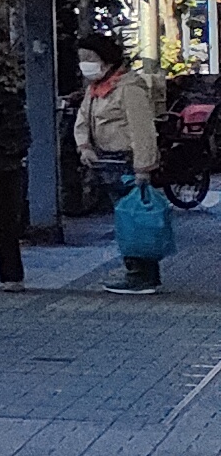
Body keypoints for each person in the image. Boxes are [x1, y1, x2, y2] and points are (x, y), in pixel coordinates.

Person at [83, 34, 166, 284]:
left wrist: (143, 167)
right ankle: (135, 269)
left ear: (107, 62)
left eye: (90, 58)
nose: (84, 64)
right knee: (125, 218)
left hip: (128, 163)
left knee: (136, 218)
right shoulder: (95, 90)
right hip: (107, 162)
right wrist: (84, 146)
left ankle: (142, 273)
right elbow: (82, 119)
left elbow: (142, 130)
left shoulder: (129, 88)